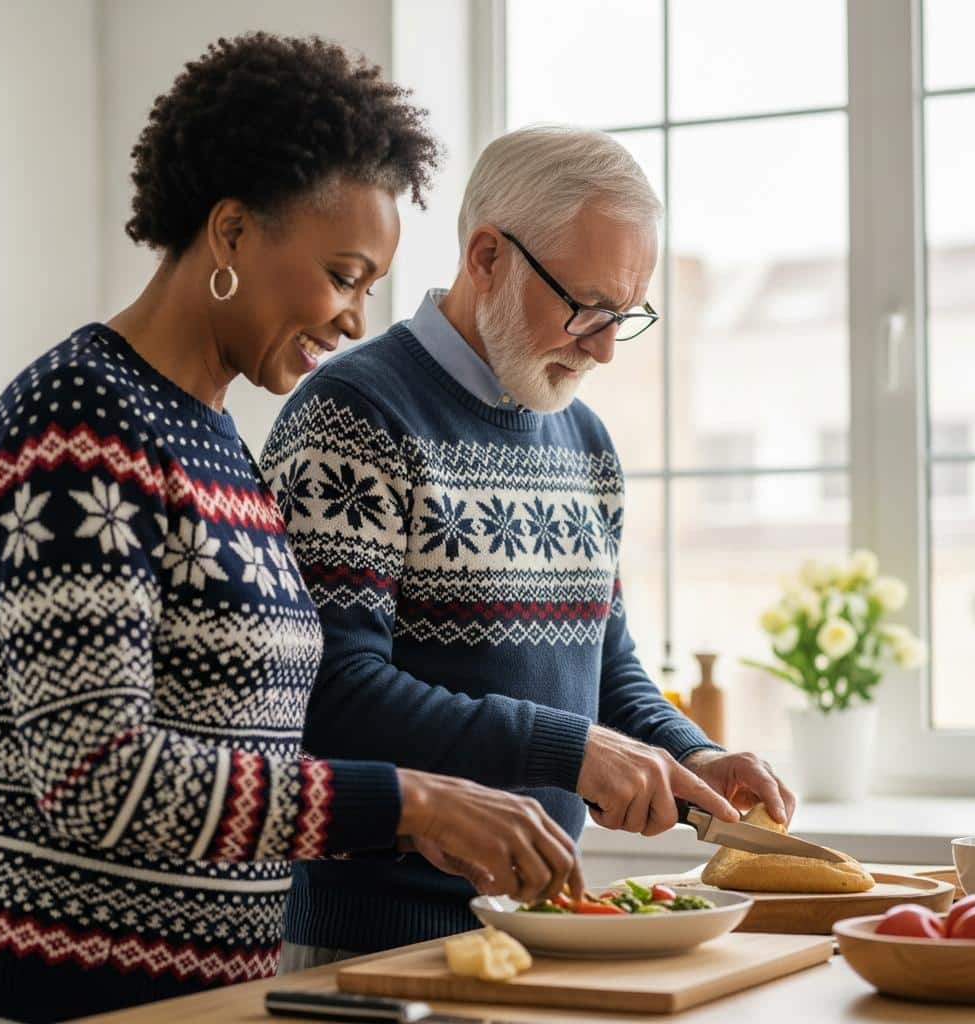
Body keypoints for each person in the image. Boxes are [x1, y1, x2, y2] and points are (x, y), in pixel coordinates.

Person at [0, 40, 580, 1024]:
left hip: (216, 997)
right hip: (76, 1002)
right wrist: (408, 801)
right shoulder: (77, 428)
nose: (354, 319)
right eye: (343, 274)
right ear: (228, 232)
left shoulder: (216, 439)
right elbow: (98, 777)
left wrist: (404, 828)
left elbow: (242, 758)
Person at [261, 125, 797, 968]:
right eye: (586, 306)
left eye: (626, 314)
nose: (606, 345)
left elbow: (604, 670)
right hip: (367, 944)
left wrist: (692, 753)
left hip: (544, 926)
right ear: (486, 258)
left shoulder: (583, 439)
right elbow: (330, 692)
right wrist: (571, 749)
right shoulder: (353, 418)